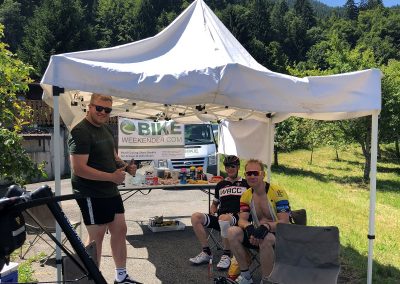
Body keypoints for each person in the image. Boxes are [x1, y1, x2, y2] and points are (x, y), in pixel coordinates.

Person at [68, 93, 141, 284]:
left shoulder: (105, 129)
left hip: (110, 190)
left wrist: (126, 167)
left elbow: (113, 156)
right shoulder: (80, 131)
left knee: (120, 230)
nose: (103, 113)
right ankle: (91, 280)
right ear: (89, 107)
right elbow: (79, 169)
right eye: (99, 108)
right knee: (96, 239)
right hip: (91, 193)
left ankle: (121, 276)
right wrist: (112, 177)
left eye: (107, 110)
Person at [227, 159, 291, 284]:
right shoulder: (246, 195)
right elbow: (242, 220)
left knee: (265, 238)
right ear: (245, 175)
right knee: (232, 231)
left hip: (280, 236)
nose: (251, 176)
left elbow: (285, 222)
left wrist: (266, 226)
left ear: (263, 175)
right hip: (257, 234)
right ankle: (246, 276)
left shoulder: (277, 192)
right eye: (248, 173)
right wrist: (248, 227)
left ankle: (267, 280)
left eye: (255, 173)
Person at [189, 155, 249, 270]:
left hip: (238, 218)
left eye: (232, 166)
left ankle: (227, 254)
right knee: (195, 217)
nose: (229, 169)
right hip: (221, 218)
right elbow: (215, 204)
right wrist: (212, 210)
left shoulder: (246, 184)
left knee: (224, 218)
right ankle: (206, 252)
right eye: (227, 166)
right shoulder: (220, 185)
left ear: (238, 167)